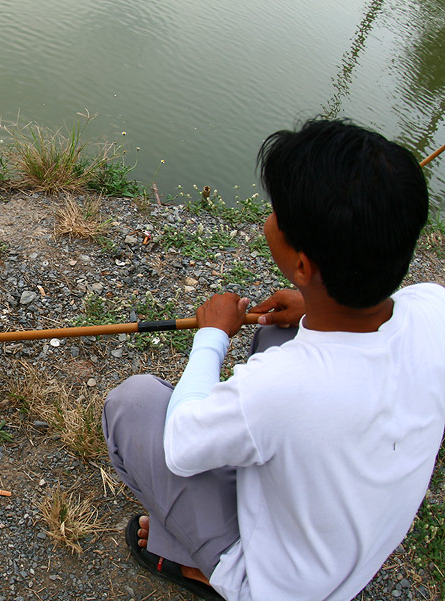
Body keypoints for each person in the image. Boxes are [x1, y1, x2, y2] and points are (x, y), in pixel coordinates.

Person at [102, 118, 445, 600]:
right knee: (280, 335)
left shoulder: (282, 386)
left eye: (277, 212)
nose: (271, 215)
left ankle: (198, 565)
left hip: (277, 587)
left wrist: (213, 335)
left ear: (303, 265)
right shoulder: (435, 306)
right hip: (351, 556)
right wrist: (312, 306)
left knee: (133, 405)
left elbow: (180, 443)